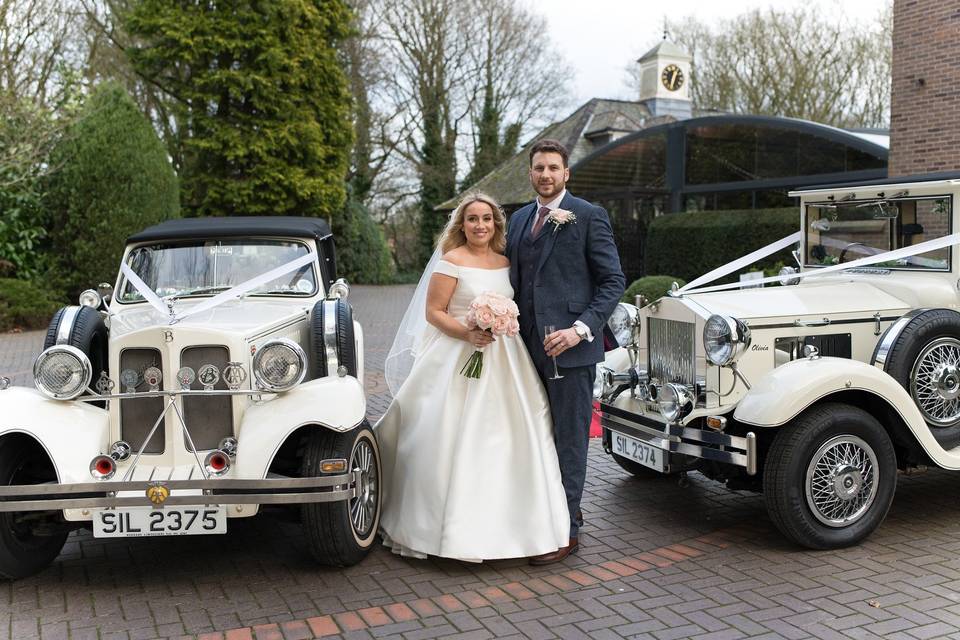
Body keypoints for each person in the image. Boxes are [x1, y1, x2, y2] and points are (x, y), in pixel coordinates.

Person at [375, 192, 569, 562]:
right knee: (448, 433)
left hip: (506, 359)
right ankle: (444, 529)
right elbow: (434, 312)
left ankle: (519, 528)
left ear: (496, 224)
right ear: (461, 225)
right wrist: (467, 332)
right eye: (472, 219)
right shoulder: (451, 262)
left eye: (486, 219)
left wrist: (500, 322)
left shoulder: (505, 261)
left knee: (517, 433)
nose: (480, 225)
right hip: (457, 354)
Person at [507, 139, 625, 565]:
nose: (545, 175)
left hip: (571, 353)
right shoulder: (519, 219)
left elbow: (613, 281)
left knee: (570, 440)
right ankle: (538, 516)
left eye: (553, 168)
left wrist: (580, 331)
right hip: (521, 350)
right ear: (531, 173)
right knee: (532, 437)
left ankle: (566, 529)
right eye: (539, 168)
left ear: (566, 173)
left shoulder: (589, 217)